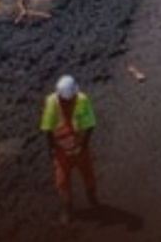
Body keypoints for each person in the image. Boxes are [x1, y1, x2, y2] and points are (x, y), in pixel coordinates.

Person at [40, 75, 98, 225]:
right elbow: (47, 128)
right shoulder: (51, 102)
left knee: (88, 173)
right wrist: (51, 149)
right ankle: (66, 208)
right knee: (62, 181)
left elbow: (90, 125)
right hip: (61, 149)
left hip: (79, 145)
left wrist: (83, 146)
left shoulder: (82, 100)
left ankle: (92, 198)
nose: (67, 102)